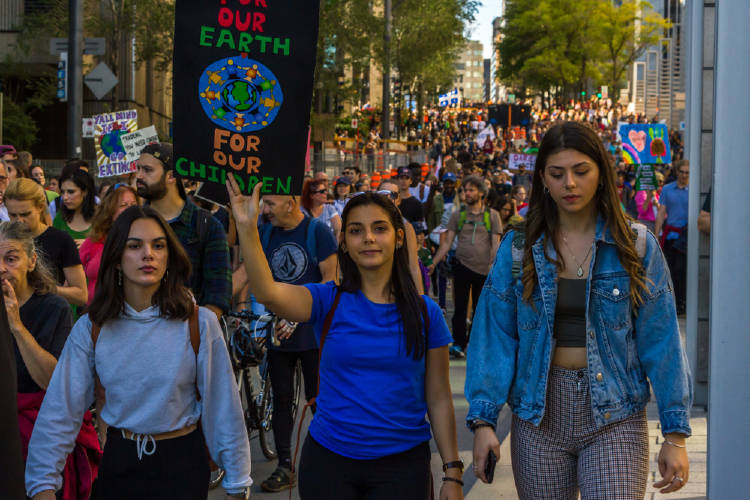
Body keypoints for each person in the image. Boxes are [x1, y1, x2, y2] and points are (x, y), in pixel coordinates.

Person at [466, 121, 692, 499]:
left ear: (601, 174)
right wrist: (484, 422)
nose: (569, 183)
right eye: (557, 174)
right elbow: (495, 336)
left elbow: (662, 339)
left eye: (580, 171)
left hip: (615, 415)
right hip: (538, 417)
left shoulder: (635, 247)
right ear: (543, 179)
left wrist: (675, 433)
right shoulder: (519, 249)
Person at [228, 179, 463, 500]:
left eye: (379, 228)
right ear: (345, 243)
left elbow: (438, 398)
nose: (368, 237)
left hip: (402, 467)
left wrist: (453, 472)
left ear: (397, 238)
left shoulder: (427, 313)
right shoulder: (328, 300)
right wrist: (247, 228)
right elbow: (269, 292)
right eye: (356, 230)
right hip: (329, 463)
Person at [24, 206, 252, 500]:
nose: (149, 254)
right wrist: (42, 483)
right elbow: (61, 408)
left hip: (182, 465)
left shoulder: (199, 323)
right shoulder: (92, 328)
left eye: (159, 245)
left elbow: (223, 407)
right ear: (117, 258)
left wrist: (238, 482)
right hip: (121, 463)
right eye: (135, 246)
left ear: (169, 256)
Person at [0, 221, 100, 498]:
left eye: (10, 259)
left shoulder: (53, 308)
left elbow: (51, 380)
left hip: (41, 434)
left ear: (31, 261)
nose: (1, 268)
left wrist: (17, 327)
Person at [253, 191, 338, 492]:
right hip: (279, 333)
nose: (265, 210)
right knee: (282, 399)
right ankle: (285, 465)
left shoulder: (318, 232)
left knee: (319, 399)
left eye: (270, 204)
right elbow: (251, 274)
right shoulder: (265, 232)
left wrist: (299, 315)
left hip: (312, 334)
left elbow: (330, 281)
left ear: (290, 203)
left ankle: (331, 457)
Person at [135, 143, 231, 319]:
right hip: (137, 335)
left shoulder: (206, 225)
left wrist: (192, 334)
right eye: (138, 169)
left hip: (187, 333)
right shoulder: (131, 223)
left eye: (147, 170)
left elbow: (218, 294)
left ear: (171, 176)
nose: (139, 176)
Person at [430, 176, 502, 359]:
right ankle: (459, 343)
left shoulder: (492, 215)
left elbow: (495, 244)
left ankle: (475, 343)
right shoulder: (458, 215)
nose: (466, 194)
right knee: (460, 308)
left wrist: (495, 267)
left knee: (479, 310)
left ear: (481, 193)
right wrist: (434, 263)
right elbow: (446, 244)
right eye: (464, 190)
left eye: (470, 190)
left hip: (484, 269)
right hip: (462, 266)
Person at [5, 179, 88, 307]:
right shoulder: (3, 239)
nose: (19, 221)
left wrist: (47, 288)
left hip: (48, 318)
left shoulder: (61, 240)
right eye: (12, 215)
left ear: (40, 207)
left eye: (25, 214)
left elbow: (81, 295)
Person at [79, 184, 139, 306]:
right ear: (110, 210)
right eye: (123, 205)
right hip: (95, 314)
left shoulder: (145, 242)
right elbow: (72, 279)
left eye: (133, 205)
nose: (129, 209)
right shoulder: (94, 241)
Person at [655, 159, 689, 315]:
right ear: (677, 172)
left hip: (687, 238)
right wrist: (656, 235)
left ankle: (682, 302)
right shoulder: (668, 189)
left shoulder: (693, 190)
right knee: (670, 271)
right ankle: (672, 303)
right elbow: (661, 213)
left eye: (687, 172)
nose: (684, 175)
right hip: (670, 237)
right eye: (681, 172)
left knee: (682, 270)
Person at [53, 168, 96, 248]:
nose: (65, 197)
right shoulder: (59, 218)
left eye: (71, 192)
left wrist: (89, 244)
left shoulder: (101, 218)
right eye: (62, 192)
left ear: (85, 192)